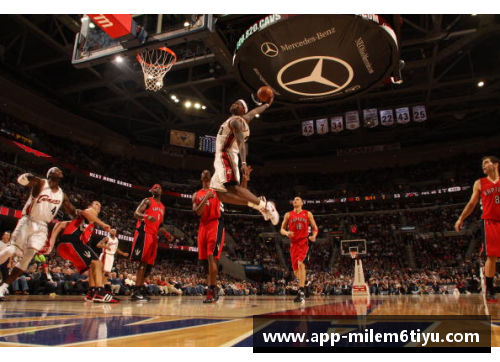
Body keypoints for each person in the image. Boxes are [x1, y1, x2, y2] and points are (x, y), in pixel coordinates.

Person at [0, 167, 78, 302]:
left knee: (27, 258)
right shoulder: (42, 183)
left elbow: (72, 211)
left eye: (60, 170)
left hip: (42, 226)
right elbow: (32, 180)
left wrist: (84, 215)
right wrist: (27, 177)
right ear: (50, 174)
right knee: (11, 249)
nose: (60, 170)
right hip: (28, 220)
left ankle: (3, 286)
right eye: (56, 169)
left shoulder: (62, 194)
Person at [210, 97, 279, 226]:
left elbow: (241, 143)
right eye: (234, 102)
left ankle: (266, 206)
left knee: (233, 188)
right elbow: (253, 112)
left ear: (242, 110)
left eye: (237, 104)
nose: (233, 104)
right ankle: (257, 204)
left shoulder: (236, 121)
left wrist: (243, 163)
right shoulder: (242, 119)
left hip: (226, 155)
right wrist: (267, 105)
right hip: (221, 156)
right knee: (220, 195)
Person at [52, 200, 117, 303]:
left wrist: (51, 244)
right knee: (98, 263)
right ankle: (99, 292)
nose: (97, 206)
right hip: (73, 241)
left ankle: (91, 292)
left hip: (67, 244)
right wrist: (103, 224)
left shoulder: (86, 222)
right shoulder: (90, 212)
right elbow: (86, 212)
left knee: (92, 265)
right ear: (90, 206)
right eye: (96, 204)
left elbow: (61, 224)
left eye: (99, 205)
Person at [455, 156, 500, 302]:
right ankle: (490, 290)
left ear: (495, 165)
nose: (483, 165)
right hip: (489, 221)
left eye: (486, 163)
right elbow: (472, 203)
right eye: (482, 164)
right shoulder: (479, 183)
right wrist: (461, 218)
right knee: (491, 256)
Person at [130, 184, 174, 301]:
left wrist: (166, 234)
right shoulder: (147, 201)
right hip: (144, 233)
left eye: (159, 187)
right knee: (143, 263)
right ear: (151, 190)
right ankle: (136, 291)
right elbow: (136, 213)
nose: (156, 189)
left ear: (162, 191)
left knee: (149, 266)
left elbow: (160, 225)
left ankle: (140, 289)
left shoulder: (163, 207)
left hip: (154, 236)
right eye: (154, 188)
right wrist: (146, 216)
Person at [280, 197, 318, 303]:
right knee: (296, 271)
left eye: (297, 199)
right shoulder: (288, 214)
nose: (295, 201)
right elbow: (281, 229)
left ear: (302, 203)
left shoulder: (307, 213)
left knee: (301, 264)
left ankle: (300, 293)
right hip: (293, 244)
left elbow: (315, 228)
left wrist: (314, 235)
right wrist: (287, 233)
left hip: (304, 242)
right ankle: (305, 286)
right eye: (294, 200)